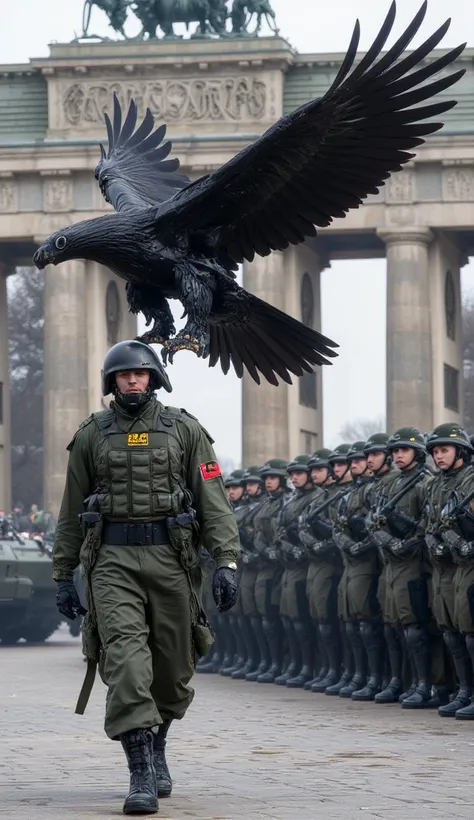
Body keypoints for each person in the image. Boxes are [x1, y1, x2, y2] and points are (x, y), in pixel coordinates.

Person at [52, 340, 240, 816]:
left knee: (175, 669)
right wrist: (62, 573)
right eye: (123, 375)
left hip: (172, 559)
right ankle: (139, 771)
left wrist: (227, 561)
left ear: (154, 378)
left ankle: (157, 744)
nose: (132, 381)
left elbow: (212, 496)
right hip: (112, 561)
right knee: (127, 662)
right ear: (111, 382)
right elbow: (72, 508)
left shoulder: (186, 429)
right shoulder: (91, 434)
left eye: (140, 374)